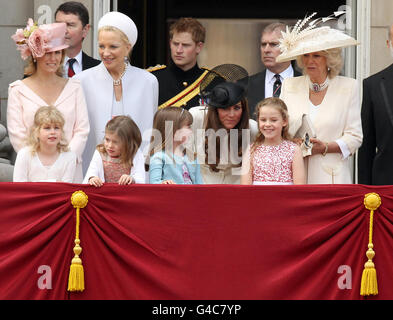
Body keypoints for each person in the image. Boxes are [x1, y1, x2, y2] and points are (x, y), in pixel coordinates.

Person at [277, 12, 362, 184]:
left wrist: (325, 147)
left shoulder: (349, 87)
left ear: (329, 59)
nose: (310, 61)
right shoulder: (289, 85)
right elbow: (278, 128)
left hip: (331, 178)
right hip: (294, 176)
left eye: (316, 56)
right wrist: (290, 141)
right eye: (306, 55)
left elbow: (354, 137)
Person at [75, 11, 158, 174]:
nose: (105, 53)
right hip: (93, 175)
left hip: (135, 175)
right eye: (101, 46)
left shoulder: (148, 82)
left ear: (128, 47)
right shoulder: (81, 81)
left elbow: (150, 131)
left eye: (113, 46)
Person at [7, 19, 89, 182]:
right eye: (47, 52)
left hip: (70, 174)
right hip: (32, 176)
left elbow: (82, 130)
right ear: (35, 54)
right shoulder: (17, 90)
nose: (53, 58)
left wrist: (65, 161)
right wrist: (39, 165)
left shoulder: (74, 87)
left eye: (57, 53)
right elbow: (18, 135)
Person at [188, 64, 258, 184]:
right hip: (201, 188)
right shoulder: (197, 117)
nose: (231, 115)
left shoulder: (252, 128)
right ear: (215, 109)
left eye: (237, 108)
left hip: (236, 190)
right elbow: (185, 160)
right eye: (225, 108)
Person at [358, 24, 393, 185]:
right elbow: (367, 145)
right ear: (388, 43)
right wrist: (364, 191)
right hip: (385, 185)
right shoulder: (372, 84)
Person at [241, 98, 305, 185]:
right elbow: (245, 187)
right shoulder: (251, 150)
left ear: (284, 121)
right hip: (258, 198)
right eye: (263, 120)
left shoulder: (294, 150)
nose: (267, 124)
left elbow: (300, 187)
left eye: (273, 120)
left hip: (286, 198)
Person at [148, 17, 209, 110]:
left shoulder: (212, 82)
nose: (178, 50)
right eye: (175, 44)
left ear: (199, 47)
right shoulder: (153, 79)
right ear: (170, 43)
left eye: (185, 45)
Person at [247, 22, 302, 118]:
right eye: (263, 44)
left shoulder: (306, 83)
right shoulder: (246, 85)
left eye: (274, 44)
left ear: (290, 48)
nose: (266, 50)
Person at [13, 106, 76, 182]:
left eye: (56, 128)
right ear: (36, 132)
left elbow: (65, 189)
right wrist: (55, 182)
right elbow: (19, 187)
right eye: (47, 128)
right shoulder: (24, 154)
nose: (53, 132)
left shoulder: (70, 156)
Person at [83, 115, 145, 186]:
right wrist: (92, 178)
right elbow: (92, 171)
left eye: (115, 142)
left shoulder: (135, 154)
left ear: (128, 143)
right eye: (107, 139)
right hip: (104, 194)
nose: (110, 146)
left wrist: (132, 178)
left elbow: (140, 177)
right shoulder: (100, 152)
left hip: (126, 195)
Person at [148, 107, 203, 184]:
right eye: (188, 127)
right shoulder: (159, 157)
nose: (191, 131)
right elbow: (153, 184)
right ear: (172, 129)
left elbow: (200, 185)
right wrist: (163, 183)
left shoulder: (192, 156)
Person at [55, 1, 100, 77]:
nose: (64, 30)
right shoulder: (44, 67)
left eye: (70, 25)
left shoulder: (98, 68)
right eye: (59, 24)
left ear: (85, 30)